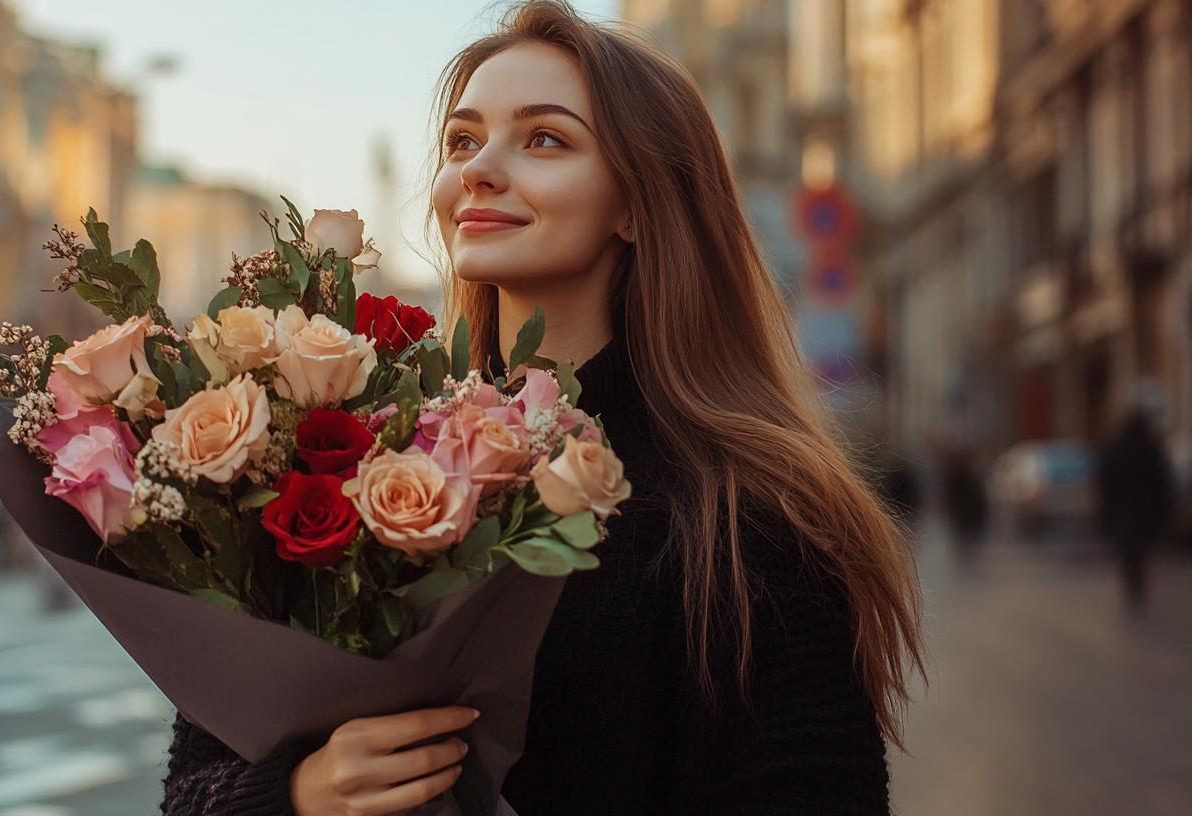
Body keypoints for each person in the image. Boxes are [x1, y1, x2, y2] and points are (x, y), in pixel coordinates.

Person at [159, 3, 924, 813]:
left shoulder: (746, 515)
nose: (480, 170)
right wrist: (300, 794)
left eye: (545, 138)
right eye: (463, 140)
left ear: (636, 202)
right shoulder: (331, 452)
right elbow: (190, 790)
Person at [1096, 387, 1176, 614]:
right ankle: (1136, 586)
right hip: (1143, 513)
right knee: (1138, 553)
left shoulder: (1116, 448)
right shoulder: (1149, 449)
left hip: (1122, 514)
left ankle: (1133, 586)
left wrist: (1104, 513)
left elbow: (1105, 483)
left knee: (1128, 553)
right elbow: (1162, 485)